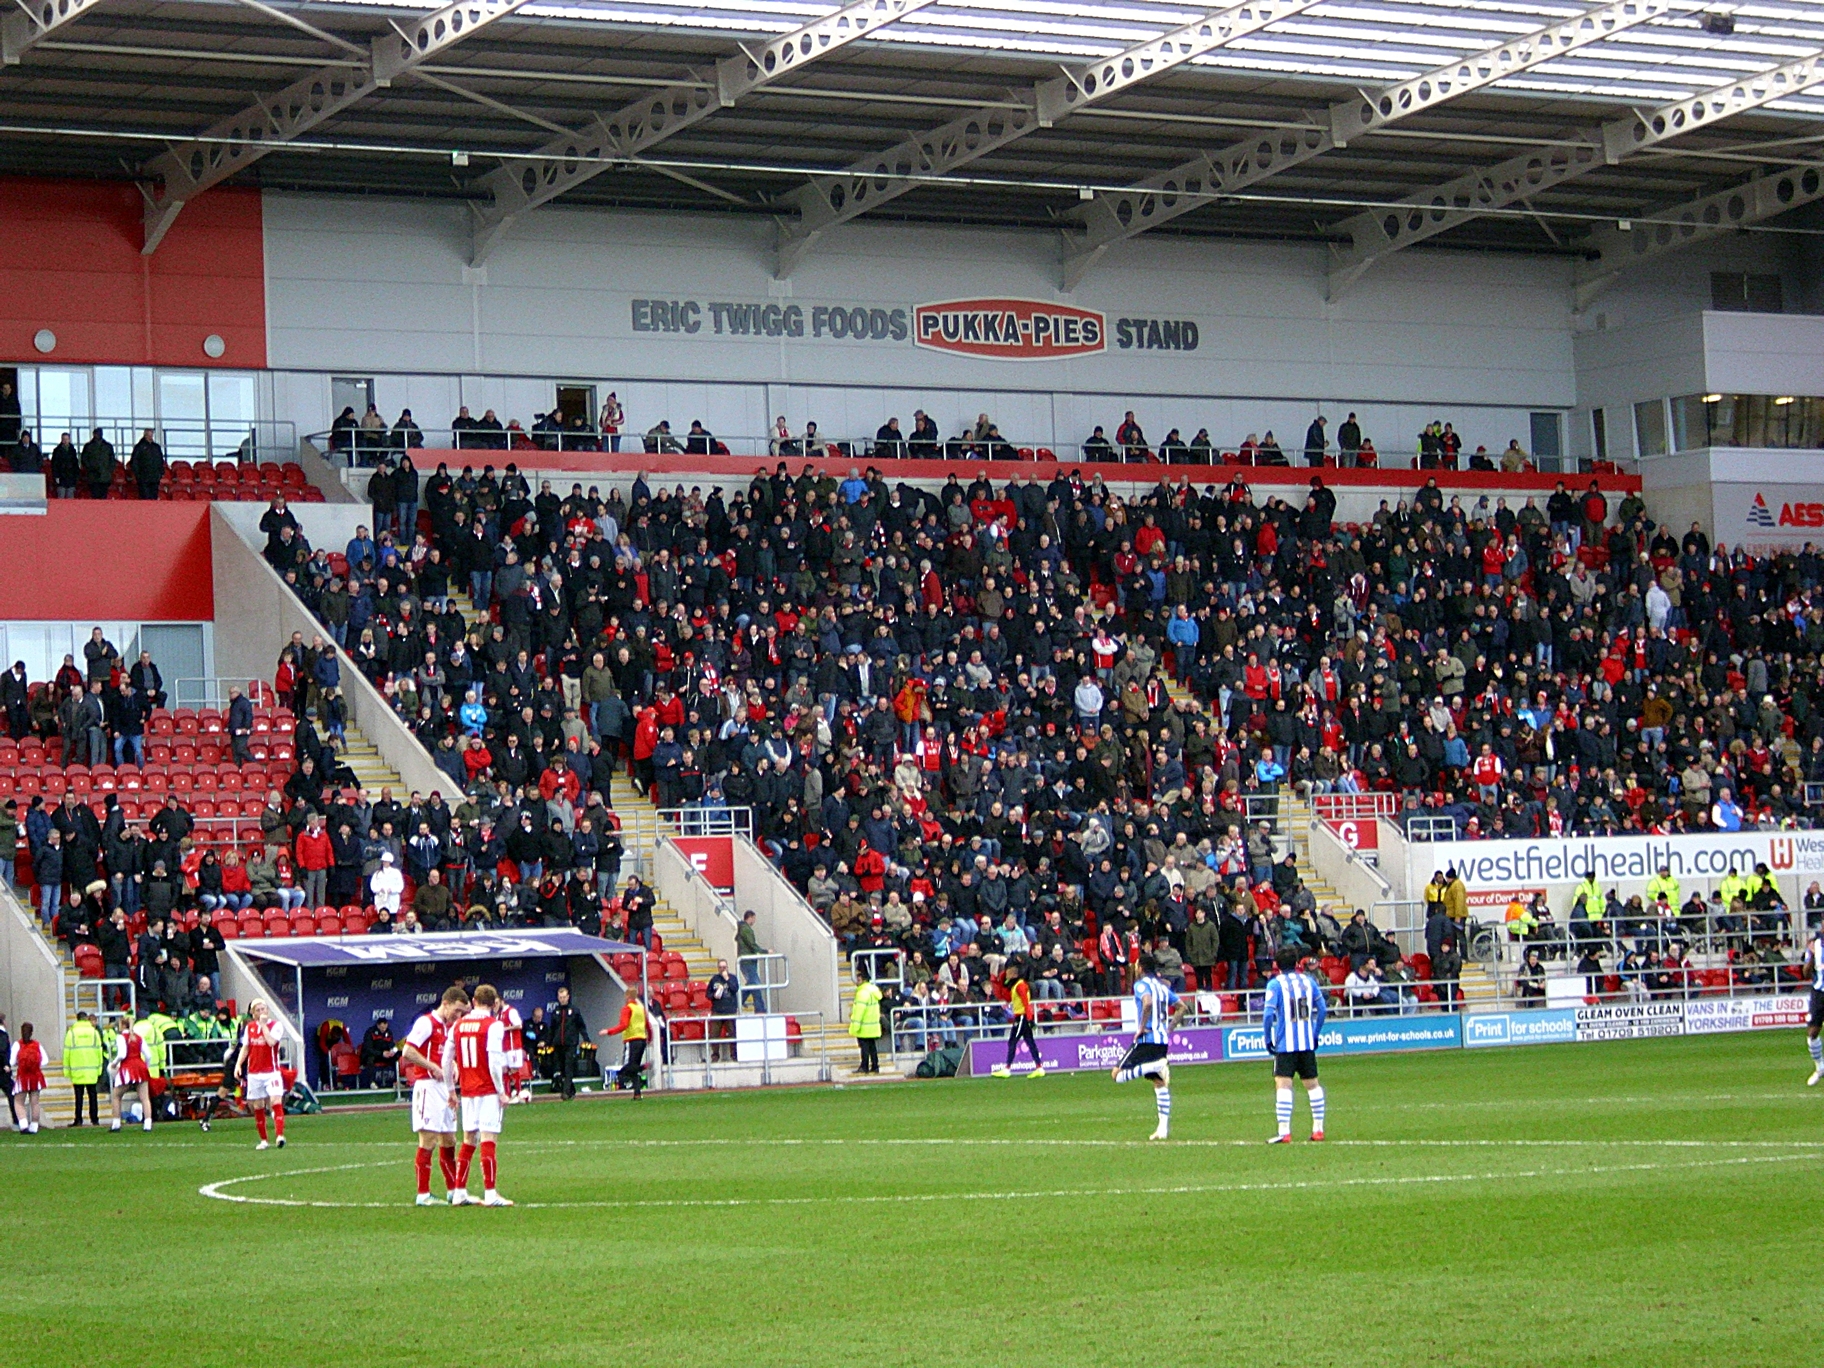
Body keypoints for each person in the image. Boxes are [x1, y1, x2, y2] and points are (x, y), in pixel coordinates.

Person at [448, 984, 513, 1207]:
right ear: (494, 1004)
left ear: (473, 1002)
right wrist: (501, 1092)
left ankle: (459, 1190)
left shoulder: (458, 1025)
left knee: (468, 1139)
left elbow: (447, 1059)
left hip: (467, 1091)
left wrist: (450, 1089)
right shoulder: (493, 1026)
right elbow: (494, 1062)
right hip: (486, 1089)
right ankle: (490, 1192)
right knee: (488, 1138)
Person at [1109, 952, 1183, 1140]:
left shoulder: (1141, 985)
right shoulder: (1162, 986)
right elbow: (1182, 1006)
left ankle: (1154, 1065)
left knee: (1117, 1075)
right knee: (1159, 1083)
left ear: (1140, 968)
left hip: (1147, 1038)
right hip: (1162, 1040)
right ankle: (1163, 1128)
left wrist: (1141, 1028)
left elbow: (1147, 1002)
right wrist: (1169, 1029)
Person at [403, 987, 467, 1204]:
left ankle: (453, 1191)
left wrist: (453, 1065)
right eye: (457, 1011)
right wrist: (432, 1066)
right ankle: (423, 1194)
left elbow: (444, 1054)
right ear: (446, 1003)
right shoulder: (426, 1022)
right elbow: (408, 1051)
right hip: (427, 1086)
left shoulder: (447, 1028)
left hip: (444, 1089)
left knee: (449, 1138)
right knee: (428, 1139)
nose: (458, 1017)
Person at [1263, 948, 1327, 1143]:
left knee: (1283, 1084)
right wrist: (1315, 1034)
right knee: (1312, 1084)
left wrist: (1268, 1038)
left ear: (1277, 965)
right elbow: (1322, 1009)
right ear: (1297, 962)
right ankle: (1318, 1129)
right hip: (1306, 1042)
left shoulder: (1275, 984)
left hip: (1286, 1045)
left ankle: (1285, 1132)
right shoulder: (1308, 981)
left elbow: (1267, 1015)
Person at [237, 999, 288, 1150]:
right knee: (257, 1106)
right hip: (254, 1073)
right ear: (252, 1014)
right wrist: (238, 1065)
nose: (261, 1012)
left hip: (271, 1072)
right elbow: (246, 1047)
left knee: (275, 1101)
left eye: (263, 1009)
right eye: (257, 1010)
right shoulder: (249, 1028)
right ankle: (264, 1140)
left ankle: (279, 1135)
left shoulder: (275, 1025)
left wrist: (264, 1026)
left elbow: (271, 1042)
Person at [991, 969, 1045, 1078]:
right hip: (1022, 1016)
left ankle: (1007, 1069)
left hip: (1021, 1017)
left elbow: (1025, 1002)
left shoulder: (1020, 986)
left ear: (1014, 974)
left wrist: (1029, 1018)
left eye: (1008, 975)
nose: (1007, 977)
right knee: (1030, 1041)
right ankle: (1039, 1067)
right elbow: (1009, 998)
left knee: (1013, 1041)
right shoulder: (1016, 985)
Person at [600, 990, 651, 1097]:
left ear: (627, 996)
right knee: (633, 1068)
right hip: (642, 1040)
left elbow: (624, 1025)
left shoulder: (627, 1009)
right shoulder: (641, 1009)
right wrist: (649, 1038)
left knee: (629, 1068)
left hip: (632, 1040)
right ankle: (637, 1093)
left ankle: (642, 1067)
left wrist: (609, 1031)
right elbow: (648, 1026)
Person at [108, 1018, 155, 1133]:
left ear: (123, 1026)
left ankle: (116, 1124)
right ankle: (148, 1124)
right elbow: (148, 1055)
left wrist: (113, 1064)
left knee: (116, 1096)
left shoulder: (121, 1037)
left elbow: (122, 1054)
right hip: (140, 1067)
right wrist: (145, 1067)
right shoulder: (138, 1037)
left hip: (128, 1068)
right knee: (144, 1097)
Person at [63, 1010, 105, 1127]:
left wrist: (67, 1070)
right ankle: (95, 1119)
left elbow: (67, 1053)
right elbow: (99, 1051)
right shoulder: (94, 1032)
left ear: (77, 1019)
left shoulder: (71, 1033)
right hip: (91, 1069)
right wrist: (99, 1069)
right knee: (93, 1095)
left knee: (78, 1096)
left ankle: (78, 1119)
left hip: (77, 1069)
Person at [548, 985, 588, 1100]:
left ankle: (565, 1092)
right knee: (559, 1068)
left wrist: (586, 1038)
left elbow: (581, 1026)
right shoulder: (556, 1011)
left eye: (564, 997)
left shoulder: (574, 1010)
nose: (562, 999)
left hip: (570, 1043)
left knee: (568, 1067)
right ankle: (571, 1089)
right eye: (560, 997)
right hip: (558, 1044)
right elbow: (552, 1028)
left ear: (568, 997)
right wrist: (548, 1042)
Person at [10, 1022, 44, 1134]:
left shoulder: (17, 1044)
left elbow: (11, 1061)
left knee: (18, 1101)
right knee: (35, 1102)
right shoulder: (37, 1044)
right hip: (36, 1076)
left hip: (23, 1076)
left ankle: (24, 1125)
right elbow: (45, 1060)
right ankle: (34, 1126)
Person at [849, 965, 883, 1076]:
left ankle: (864, 1066)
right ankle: (875, 1066)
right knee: (872, 1046)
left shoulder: (862, 993)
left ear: (862, 980)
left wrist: (855, 1026)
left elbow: (859, 1011)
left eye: (858, 979)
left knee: (864, 1047)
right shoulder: (873, 991)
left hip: (864, 1025)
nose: (856, 982)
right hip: (873, 1025)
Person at [1806, 929, 1824, 1087]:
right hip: (1819, 993)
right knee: (1812, 1032)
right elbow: (1805, 973)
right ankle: (1820, 1067)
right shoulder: (1815, 944)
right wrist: (1811, 955)